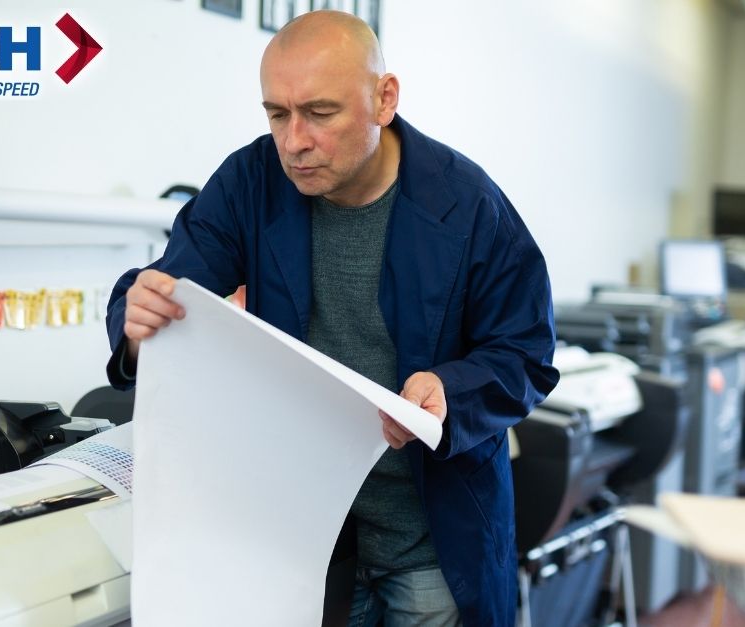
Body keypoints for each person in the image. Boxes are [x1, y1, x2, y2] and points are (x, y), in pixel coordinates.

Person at [105, 10, 558, 627]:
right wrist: (139, 325)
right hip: (303, 535)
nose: (294, 141)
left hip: (428, 543)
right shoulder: (250, 182)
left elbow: (525, 352)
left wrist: (452, 391)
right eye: (276, 114)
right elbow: (169, 287)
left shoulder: (469, 204)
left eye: (320, 114)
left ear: (384, 99)